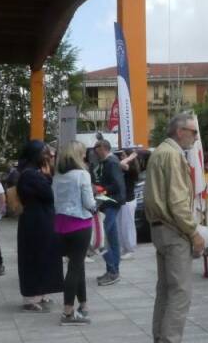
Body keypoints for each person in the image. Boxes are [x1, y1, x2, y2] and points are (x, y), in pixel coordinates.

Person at [145, 114, 206, 343]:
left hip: (160, 229)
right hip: (173, 230)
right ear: (180, 131)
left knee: (167, 291)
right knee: (180, 292)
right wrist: (194, 233)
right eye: (193, 131)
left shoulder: (161, 152)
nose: (195, 136)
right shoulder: (172, 155)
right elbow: (178, 203)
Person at [53, 141, 97, 325]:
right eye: (84, 153)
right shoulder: (82, 175)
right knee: (75, 267)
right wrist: (97, 205)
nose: (86, 156)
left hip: (61, 224)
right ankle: (68, 312)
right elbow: (88, 202)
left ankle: (84, 305)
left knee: (76, 265)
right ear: (78, 155)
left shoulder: (58, 176)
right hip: (80, 223)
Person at [16, 141, 63, 311]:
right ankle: (31, 297)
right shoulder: (30, 175)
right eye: (45, 153)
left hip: (41, 220)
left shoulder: (34, 173)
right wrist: (48, 176)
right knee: (35, 256)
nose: (49, 156)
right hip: (35, 222)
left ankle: (41, 292)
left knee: (44, 255)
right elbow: (50, 194)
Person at [94, 139, 126, 286]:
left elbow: (116, 185)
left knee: (103, 238)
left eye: (97, 148)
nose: (95, 151)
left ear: (104, 148)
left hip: (111, 203)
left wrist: (101, 189)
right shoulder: (109, 162)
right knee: (112, 239)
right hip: (111, 203)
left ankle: (112, 271)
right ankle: (113, 271)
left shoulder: (111, 163)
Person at [117, 148, 142, 260]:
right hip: (122, 200)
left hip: (129, 200)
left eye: (123, 155)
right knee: (121, 226)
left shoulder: (131, 168)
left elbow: (122, 163)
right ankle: (125, 248)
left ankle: (130, 249)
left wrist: (131, 156)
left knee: (128, 226)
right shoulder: (124, 168)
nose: (122, 157)